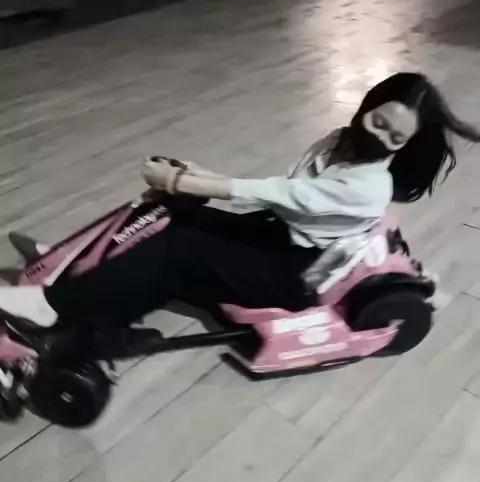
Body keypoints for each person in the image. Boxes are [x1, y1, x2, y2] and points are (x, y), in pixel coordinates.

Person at [0, 72, 478, 333]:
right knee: (164, 210)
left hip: (294, 272)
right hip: (276, 232)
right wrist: (192, 182)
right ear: (368, 105)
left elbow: (283, 193)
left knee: (177, 246)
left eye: (395, 138)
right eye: (379, 122)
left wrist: (193, 181)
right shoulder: (339, 140)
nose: (381, 137)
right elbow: (281, 197)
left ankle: (50, 306)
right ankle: (71, 265)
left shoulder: (370, 185)